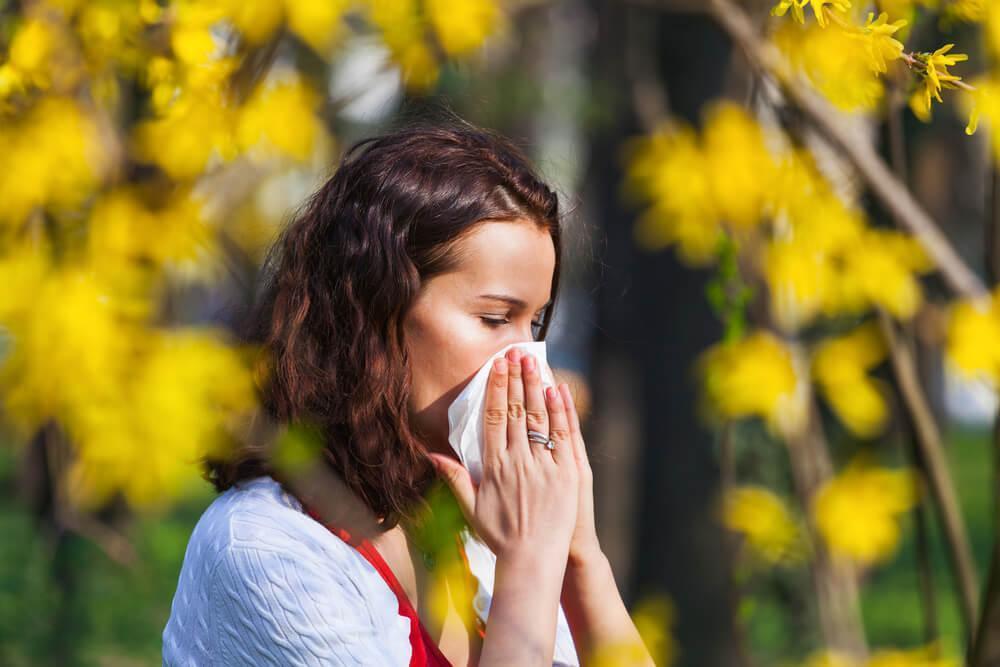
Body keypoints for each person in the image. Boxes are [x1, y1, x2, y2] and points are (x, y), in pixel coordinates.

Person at [161, 114, 655, 666]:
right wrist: (530, 563)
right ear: (374, 312)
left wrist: (577, 553)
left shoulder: (473, 525)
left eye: (534, 325)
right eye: (495, 319)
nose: (528, 365)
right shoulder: (268, 551)